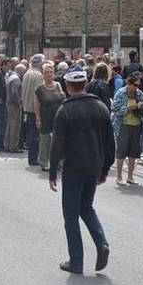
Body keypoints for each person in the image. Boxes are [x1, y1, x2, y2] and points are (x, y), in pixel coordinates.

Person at [48, 70, 115, 274]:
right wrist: (105, 168)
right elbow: (110, 142)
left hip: (74, 167)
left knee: (71, 215)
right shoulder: (101, 107)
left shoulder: (65, 110)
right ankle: (101, 242)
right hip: (94, 165)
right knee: (87, 207)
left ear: (68, 87)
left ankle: (76, 260)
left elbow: (57, 144)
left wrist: (52, 172)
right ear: (86, 83)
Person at [111, 72, 143, 185]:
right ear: (128, 83)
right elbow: (115, 108)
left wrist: (142, 107)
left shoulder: (139, 94)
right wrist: (128, 108)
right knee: (121, 152)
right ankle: (119, 176)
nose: (137, 88)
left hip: (136, 125)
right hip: (123, 125)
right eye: (135, 85)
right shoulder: (121, 93)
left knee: (133, 152)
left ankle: (130, 176)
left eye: (138, 85)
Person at [34, 62, 64, 172]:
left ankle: (59, 162)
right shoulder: (40, 88)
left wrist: (63, 96)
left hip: (58, 117)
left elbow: (62, 98)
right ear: (43, 74)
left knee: (59, 140)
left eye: (51, 72)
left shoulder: (58, 85)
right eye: (47, 72)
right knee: (45, 141)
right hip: (45, 117)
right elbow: (36, 104)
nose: (49, 74)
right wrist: (37, 118)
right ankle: (44, 162)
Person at [21, 54, 45, 165]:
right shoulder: (39, 75)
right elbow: (38, 94)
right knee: (35, 135)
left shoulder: (26, 73)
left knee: (30, 132)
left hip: (26, 107)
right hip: (33, 108)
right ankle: (33, 158)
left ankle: (32, 156)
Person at [5, 63, 24, 152]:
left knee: (10, 125)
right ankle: (13, 146)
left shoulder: (11, 77)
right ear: (20, 71)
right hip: (14, 105)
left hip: (9, 104)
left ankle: (7, 144)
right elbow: (15, 93)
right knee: (15, 126)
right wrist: (18, 102)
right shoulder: (16, 79)